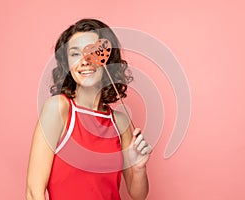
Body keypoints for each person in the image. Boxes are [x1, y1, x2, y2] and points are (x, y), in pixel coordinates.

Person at [26, 18, 152, 200]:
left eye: (93, 51)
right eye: (75, 54)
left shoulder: (119, 121)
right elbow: (33, 192)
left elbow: (137, 194)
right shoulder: (58, 109)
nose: (85, 61)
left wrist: (139, 168)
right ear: (67, 64)